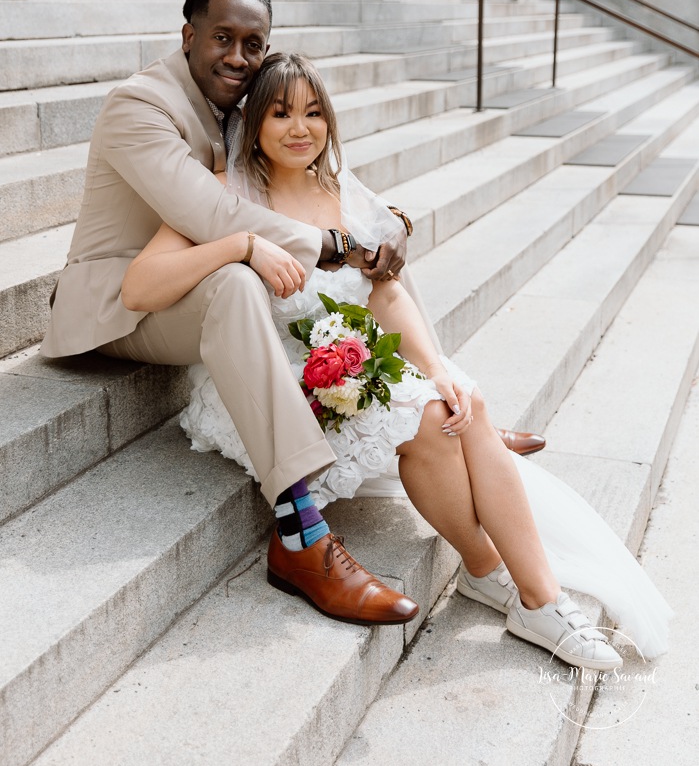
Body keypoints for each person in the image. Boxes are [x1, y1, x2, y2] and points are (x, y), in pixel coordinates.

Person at [122, 51, 671, 670]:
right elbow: (140, 286)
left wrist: (436, 364)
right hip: (274, 381)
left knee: (462, 400)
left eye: (313, 113)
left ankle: (526, 593)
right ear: (252, 124)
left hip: (351, 359)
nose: (300, 128)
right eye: (279, 114)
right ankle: (510, 583)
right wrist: (241, 246)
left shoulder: (338, 191)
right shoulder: (226, 194)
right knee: (435, 417)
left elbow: (383, 291)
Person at [40, 0, 541, 629]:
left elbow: (303, 172)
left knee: (371, 251)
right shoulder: (140, 105)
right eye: (223, 38)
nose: (240, 58)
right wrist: (336, 242)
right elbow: (210, 211)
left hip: (200, 273)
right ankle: (301, 531)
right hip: (126, 299)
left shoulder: (238, 96)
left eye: (254, 43)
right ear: (187, 35)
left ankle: (434, 387)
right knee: (245, 275)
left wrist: (372, 231)